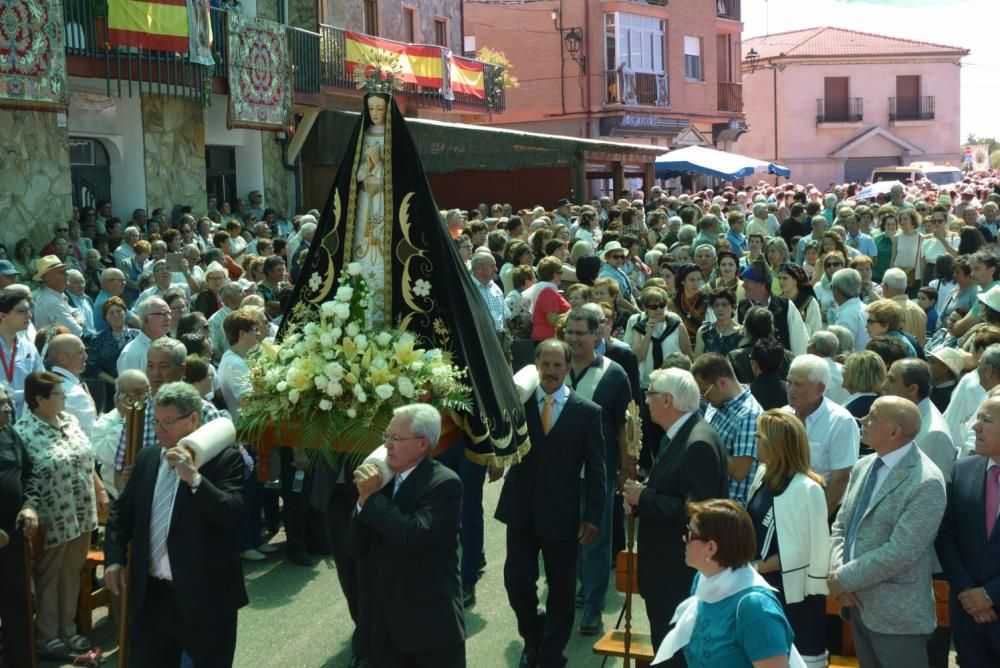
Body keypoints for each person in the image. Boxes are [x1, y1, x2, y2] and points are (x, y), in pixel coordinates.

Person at [104, 382, 247, 667]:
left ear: (193, 419)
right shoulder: (147, 458)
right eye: (156, 421)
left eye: (168, 422)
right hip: (152, 597)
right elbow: (122, 512)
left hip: (204, 599)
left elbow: (230, 513)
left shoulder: (224, 460)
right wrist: (114, 559)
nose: (160, 430)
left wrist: (194, 479)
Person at [495, 339, 606, 668]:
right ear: (537, 366)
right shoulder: (519, 403)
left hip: (562, 514)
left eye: (559, 365)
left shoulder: (587, 413)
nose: (551, 371)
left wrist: (593, 517)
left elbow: (598, 471)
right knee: (517, 582)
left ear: (568, 368)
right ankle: (533, 636)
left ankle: (551, 654)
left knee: (560, 589)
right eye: (546, 364)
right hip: (521, 510)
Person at [828, 396, 947, 668]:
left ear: (894, 431)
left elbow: (901, 552)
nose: (863, 421)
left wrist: (843, 578)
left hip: (897, 617)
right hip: (856, 603)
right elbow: (842, 526)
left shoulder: (925, 481)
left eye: (872, 417)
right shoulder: (864, 466)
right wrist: (839, 576)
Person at [622, 367, 728, 659]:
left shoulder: (698, 443)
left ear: (667, 400)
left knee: (675, 654)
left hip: (676, 574)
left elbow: (695, 511)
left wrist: (644, 497)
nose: (646, 401)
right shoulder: (682, 436)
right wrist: (640, 496)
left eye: (650, 394)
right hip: (667, 571)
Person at [350, 404, 466, 667]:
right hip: (386, 632)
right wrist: (361, 502)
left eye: (396, 439)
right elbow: (356, 547)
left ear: (423, 444)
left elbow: (414, 534)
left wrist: (370, 499)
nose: (387, 446)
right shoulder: (383, 481)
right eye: (386, 437)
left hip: (430, 630)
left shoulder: (444, 483)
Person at [16, 371, 106, 655]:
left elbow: (87, 460)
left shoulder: (70, 420)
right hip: (51, 515)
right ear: (39, 400)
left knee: (71, 571)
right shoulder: (24, 433)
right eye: (58, 394)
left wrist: (100, 490)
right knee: (49, 576)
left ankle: (68, 629)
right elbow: (24, 478)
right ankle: (47, 635)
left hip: (81, 510)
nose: (65, 397)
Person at [652, 498, 799, 668]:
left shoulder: (755, 609)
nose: (684, 538)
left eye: (690, 534)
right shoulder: (702, 580)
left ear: (711, 548)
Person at [561, 306, 631, 635]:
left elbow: (623, 426)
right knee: (565, 538)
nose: (574, 338)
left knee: (595, 541)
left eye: (580, 333)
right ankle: (581, 586)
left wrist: (625, 468)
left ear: (597, 334)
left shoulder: (614, 374)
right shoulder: (552, 368)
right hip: (558, 474)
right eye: (569, 332)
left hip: (598, 473)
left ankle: (593, 607)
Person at [746, 410, 830, 668]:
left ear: (776, 445)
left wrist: (754, 569)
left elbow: (805, 552)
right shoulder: (763, 475)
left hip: (793, 600)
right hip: (761, 588)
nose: (754, 439)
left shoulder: (807, 488)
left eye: (759, 436)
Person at [936, 394, 1000, 667]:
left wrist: (990, 594)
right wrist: (966, 591)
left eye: (986, 420)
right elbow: (946, 536)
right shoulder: (963, 469)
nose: (975, 426)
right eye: (977, 418)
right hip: (968, 617)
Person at [782, 355, 859, 517]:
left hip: (820, 506)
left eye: (798, 384)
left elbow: (840, 479)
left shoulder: (840, 422)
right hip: (784, 504)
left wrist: (818, 519)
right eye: (789, 382)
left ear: (820, 389)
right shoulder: (783, 415)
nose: (791, 390)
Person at [691, 353, 763, 507]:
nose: (704, 398)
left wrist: (704, 445)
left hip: (729, 512)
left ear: (722, 383)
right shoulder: (716, 403)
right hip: (710, 503)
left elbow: (739, 470)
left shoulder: (749, 415)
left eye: (704, 392)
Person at [0, 383, 39, 668]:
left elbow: (29, 474)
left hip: (12, 538)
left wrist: (29, 505)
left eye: (7, 402)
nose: (8, 408)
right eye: (1, 404)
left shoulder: (9, 434)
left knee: (18, 609)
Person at [738, 260, 808, 357]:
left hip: (780, 369)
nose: (743, 285)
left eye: (747, 281)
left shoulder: (785, 306)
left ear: (761, 284)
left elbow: (799, 343)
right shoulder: (742, 307)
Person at [0, 288, 43, 418]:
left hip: (26, 422)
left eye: (29, 310)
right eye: (21, 311)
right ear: (2, 315)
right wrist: (24, 395)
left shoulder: (29, 347)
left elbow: (41, 381)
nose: (29, 315)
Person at [33, 255, 84, 338]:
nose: (67, 274)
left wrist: (77, 320)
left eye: (65, 271)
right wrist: (78, 320)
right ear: (47, 279)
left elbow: (76, 312)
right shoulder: (50, 301)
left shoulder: (57, 294)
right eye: (61, 272)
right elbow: (76, 331)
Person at [117, 297, 171, 374]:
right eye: (162, 314)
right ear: (144, 318)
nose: (168, 318)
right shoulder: (131, 354)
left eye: (169, 313)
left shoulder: (173, 346)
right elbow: (129, 385)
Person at [694, 288, 743, 357]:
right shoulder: (704, 331)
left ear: (733, 307)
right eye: (716, 305)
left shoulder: (742, 333)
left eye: (724, 305)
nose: (720, 308)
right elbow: (697, 362)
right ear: (712, 308)